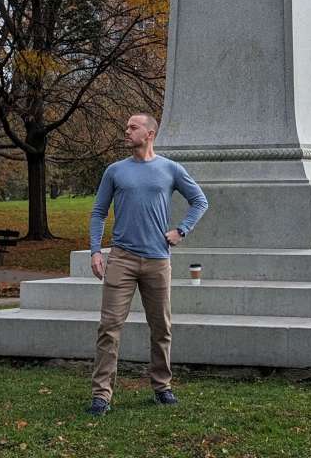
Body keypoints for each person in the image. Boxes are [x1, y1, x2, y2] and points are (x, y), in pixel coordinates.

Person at [86, 112, 208, 415]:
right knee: (109, 327)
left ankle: (162, 387)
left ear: (149, 134)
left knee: (161, 327)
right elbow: (98, 213)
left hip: (157, 260)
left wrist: (181, 230)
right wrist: (95, 252)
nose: (126, 131)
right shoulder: (115, 171)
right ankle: (102, 395)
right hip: (122, 259)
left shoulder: (170, 169)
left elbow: (200, 201)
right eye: (126, 126)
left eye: (133, 127)